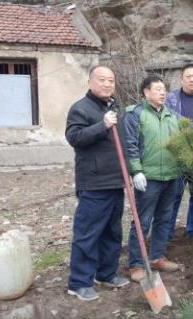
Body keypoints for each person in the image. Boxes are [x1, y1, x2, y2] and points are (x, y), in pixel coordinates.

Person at [122, 75, 193, 282]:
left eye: (164, 89)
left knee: (164, 218)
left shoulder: (172, 115)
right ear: (146, 92)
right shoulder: (136, 114)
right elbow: (130, 145)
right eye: (158, 89)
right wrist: (136, 171)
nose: (163, 93)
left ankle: (157, 257)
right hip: (149, 177)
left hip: (171, 176)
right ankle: (136, 264)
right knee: (143, 221)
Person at [65, 65, 129, 301]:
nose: (107, 84)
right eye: (102, 80)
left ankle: (105, 274)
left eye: (111, 81)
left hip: (115, 181)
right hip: (94, 183)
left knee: (112, 232)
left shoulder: (113, 107)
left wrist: (130, 172)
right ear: (90, 82)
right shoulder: (80, 109)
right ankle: (79, 282)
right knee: (87, 233)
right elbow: (74, 138)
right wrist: (102, 125)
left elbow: (120, 144)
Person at [166, 63, 193, 244]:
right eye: (188, 76)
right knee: (174, 195)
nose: (192, 79)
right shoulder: (171, 99)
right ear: (182, 79)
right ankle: (166, 234)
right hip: (178, 155)